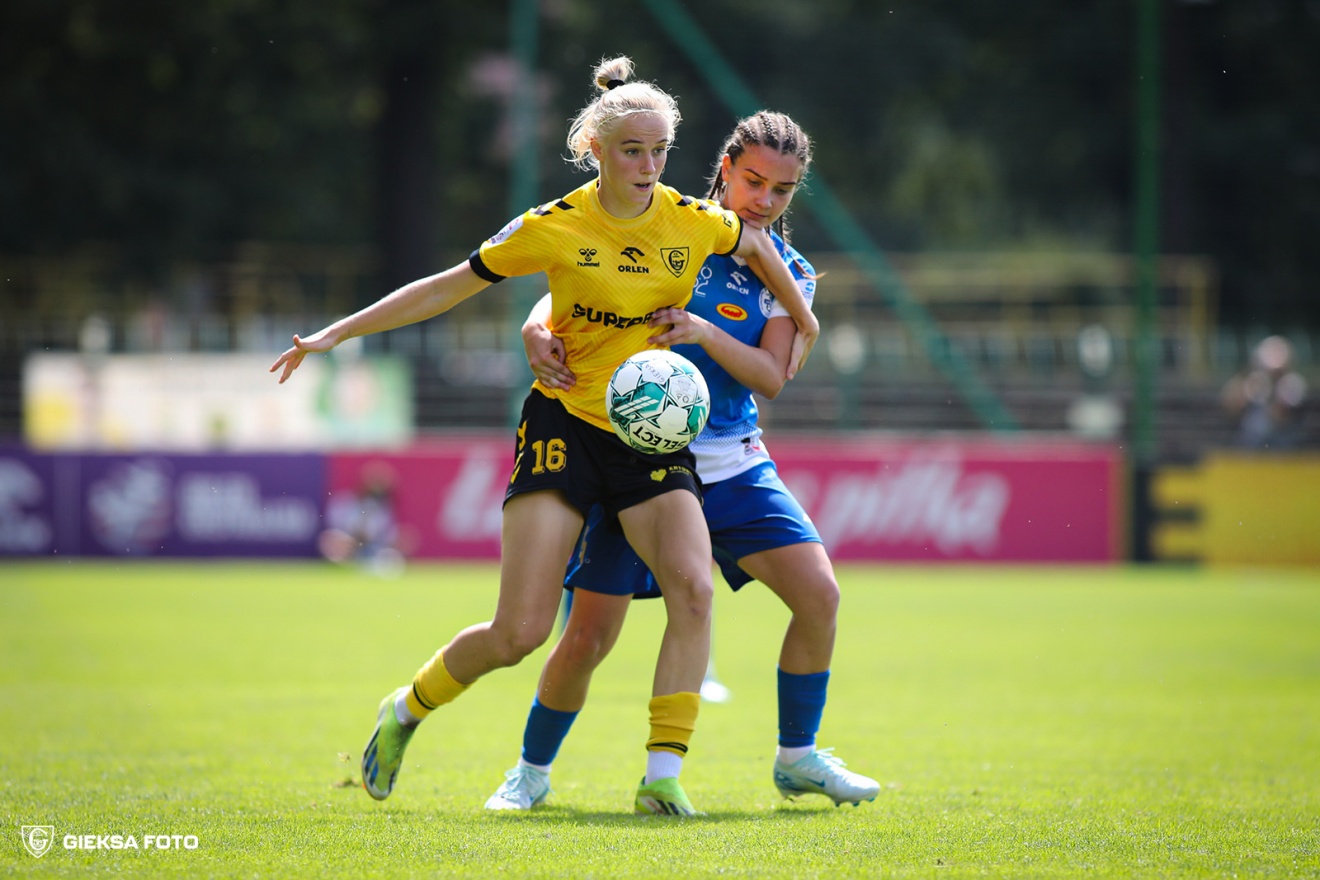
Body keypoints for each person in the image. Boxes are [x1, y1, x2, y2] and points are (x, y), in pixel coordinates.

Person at [269, 57, 819, 816]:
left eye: (660, 151)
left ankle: (662, 778)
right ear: (595, 149)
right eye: (633, 151)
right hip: (564, 423)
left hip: (646, 436)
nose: (649, 166)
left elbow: (757, 247)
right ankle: (407, 709)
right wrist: (338, 332)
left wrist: (805, 317)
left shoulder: (694, 222)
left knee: (694, 590)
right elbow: (447, 285)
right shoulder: (553, 226)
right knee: (519, 633)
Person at [484, 111, 879, 814]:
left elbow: (771, 376)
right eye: (752, 181)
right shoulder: (674, 224)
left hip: (731, 461)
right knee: (588, 635)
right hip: (640, 464)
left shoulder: (790, 274)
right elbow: (580, 279)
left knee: (820, 596)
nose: (764, 199)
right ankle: (530, 772)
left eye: (782, 190)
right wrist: (534, 325)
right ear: (725, 168)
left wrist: (702, 332)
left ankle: (796, 757)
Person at [1221, 334, 1308, 450]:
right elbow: (1232, 405)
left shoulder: (1292, 382)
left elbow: (1283, 415)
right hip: (1254, 435)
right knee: (1255, 428)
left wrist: (1277, 405)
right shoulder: (1255, 380)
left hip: (1283, 433)